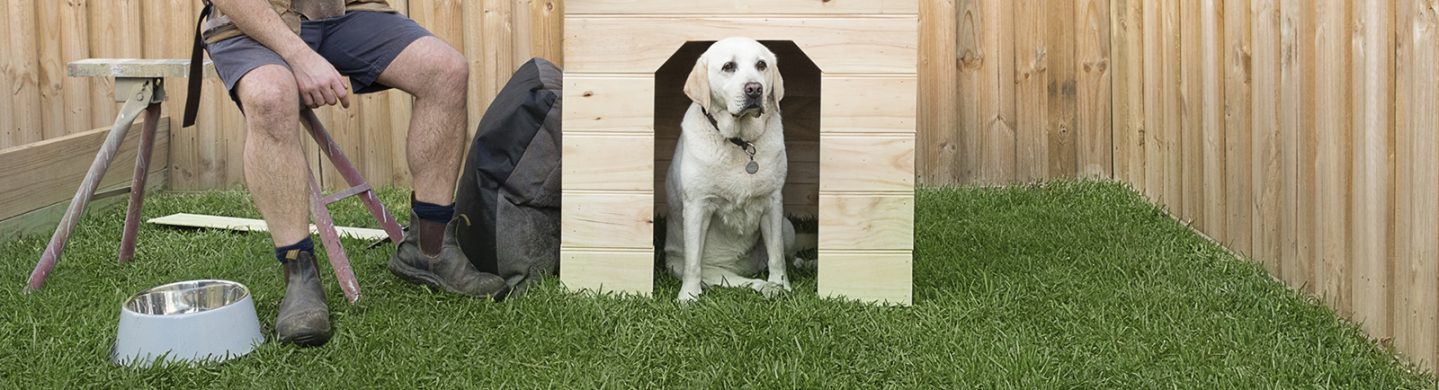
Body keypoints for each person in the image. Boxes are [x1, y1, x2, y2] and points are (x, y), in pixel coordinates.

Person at [201, 0, 508, 347]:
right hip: (249, 22)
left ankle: (430, 249)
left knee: (446, 69)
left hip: (342, 12)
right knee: (270, 97)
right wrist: (301, 57)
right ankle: (299, 272)